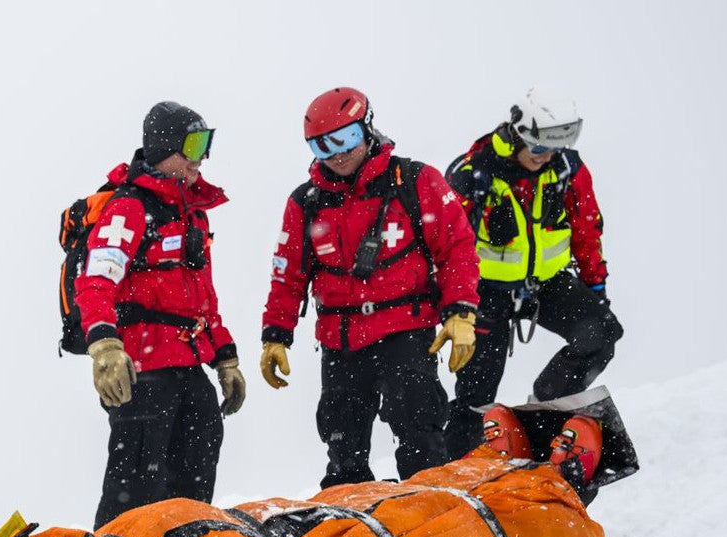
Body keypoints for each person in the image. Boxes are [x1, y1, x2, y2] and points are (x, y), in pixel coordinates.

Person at [259, 88, 481, 487]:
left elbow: (458, 249)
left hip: (405, 332)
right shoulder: (306, 202)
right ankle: (351, 518)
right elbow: (288, 274)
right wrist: (275, 334)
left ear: (367, 128)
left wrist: (461, 311)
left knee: (420, 437)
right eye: (322, 145)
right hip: (340, 342)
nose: (337, 154)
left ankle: (431, 513)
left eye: (345, 138)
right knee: (342, 447)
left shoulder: (415, 181)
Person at [62, 101, 244, 527]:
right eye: (193, 146)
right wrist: (105, 347)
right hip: (142, 371)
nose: (201, 158)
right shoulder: (129, 208)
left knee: (200, 455)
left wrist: (225, 357)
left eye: (206, 144)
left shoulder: (192, 214)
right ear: (165, 148)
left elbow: (203, 298)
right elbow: (96, 280)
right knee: (138, 484)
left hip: (187, 363)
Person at [441, 88, 619, 457]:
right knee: (477, 390)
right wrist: (454, 307)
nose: (545, 156)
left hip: (546, 284)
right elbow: (446, 246)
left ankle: (541, 412)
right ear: (517, 134)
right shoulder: (473, 174)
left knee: (601, 334)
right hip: (485, 292)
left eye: (555, 148)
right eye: (538, 147)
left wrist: (595, 286)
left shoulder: (566, 169)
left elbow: (586, 228)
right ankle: (459, 465)